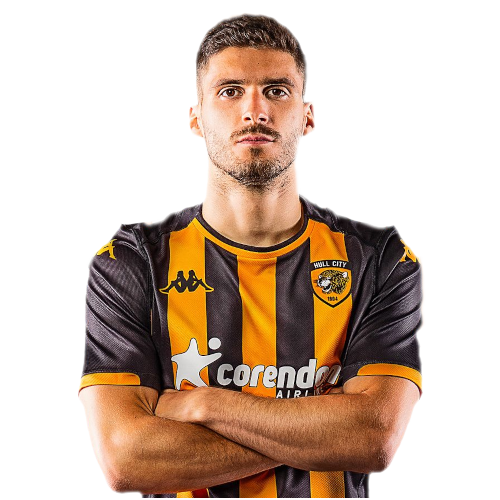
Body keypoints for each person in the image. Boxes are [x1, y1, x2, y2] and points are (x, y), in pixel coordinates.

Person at [79, 13, 424, 498]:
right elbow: (126, 459)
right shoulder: (129, 263)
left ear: (308, 116)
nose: (255, 111)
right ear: (196, 118)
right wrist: (324, 427)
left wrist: (205, 405)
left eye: (277, 91)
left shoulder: (382, 258)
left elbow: (373, 438)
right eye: (230, 91)